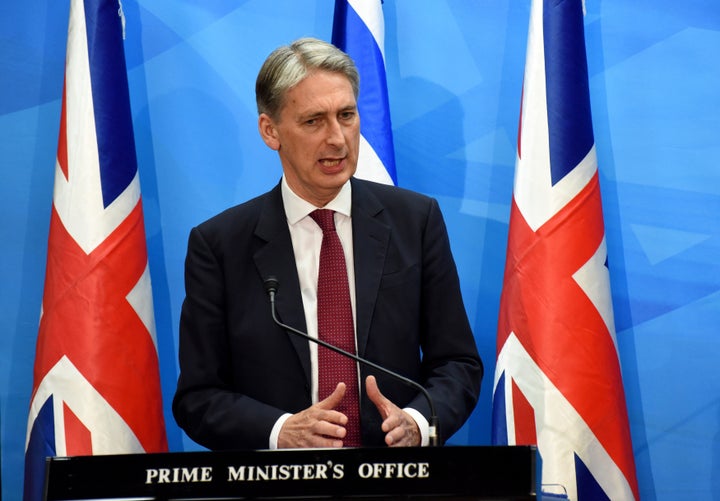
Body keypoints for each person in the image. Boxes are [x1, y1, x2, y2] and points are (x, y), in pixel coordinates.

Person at [172, 37, 482, 450]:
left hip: (395, 485)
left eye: (347, 115)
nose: (337, 138)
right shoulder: (220, 245)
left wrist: (417, 421)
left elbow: (457, 363)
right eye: (314, 121)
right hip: (278, 490)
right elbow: (198, 396)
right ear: (270, 130)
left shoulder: (415, 221)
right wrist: (281, 431)